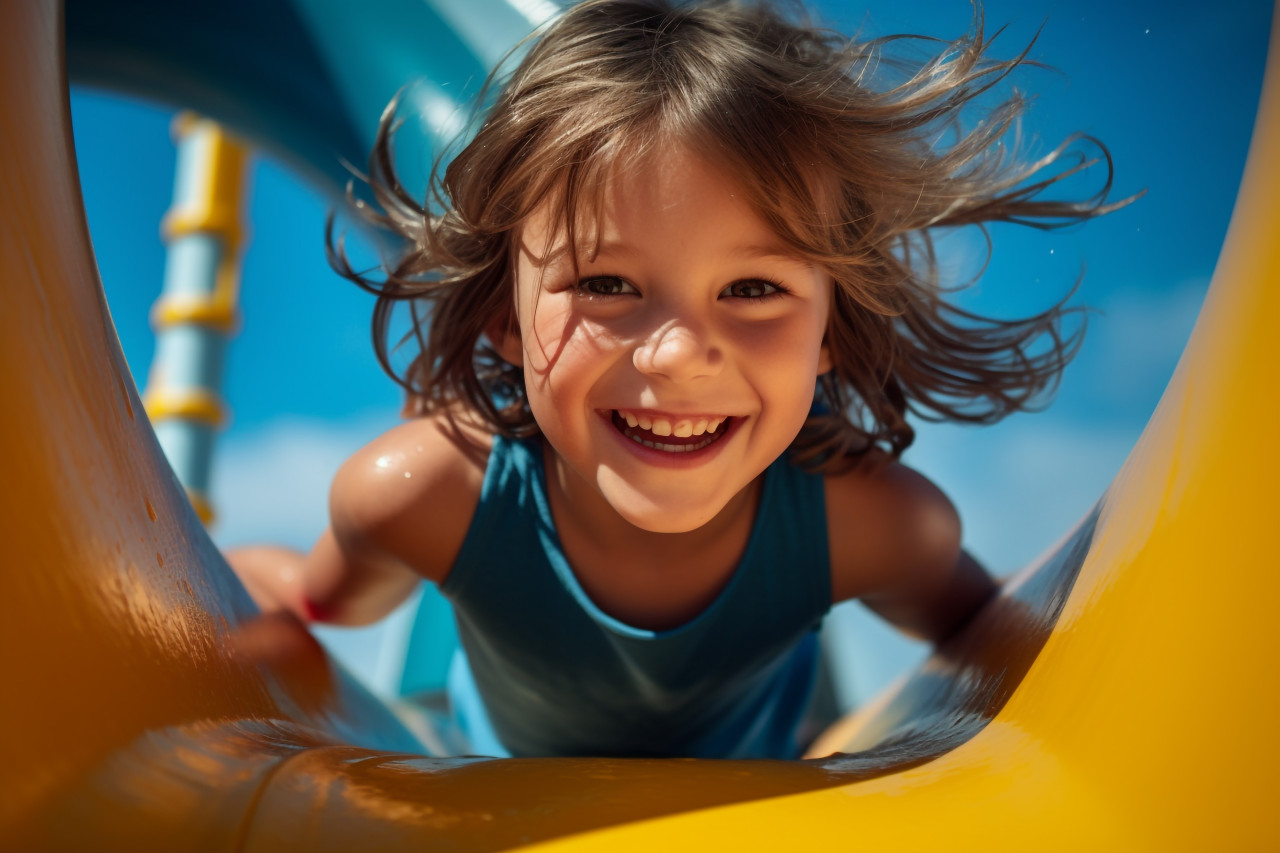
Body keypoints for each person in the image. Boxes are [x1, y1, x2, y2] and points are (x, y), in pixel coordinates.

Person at [229, 0, 1130, 759]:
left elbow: (1002, 636)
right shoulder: (422, 496)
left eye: (752, 288)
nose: (675, 353)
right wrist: (224, 588)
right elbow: (315, 600)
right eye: (607, 283)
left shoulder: (872, 525)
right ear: (505, 313)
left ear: (830, 331)